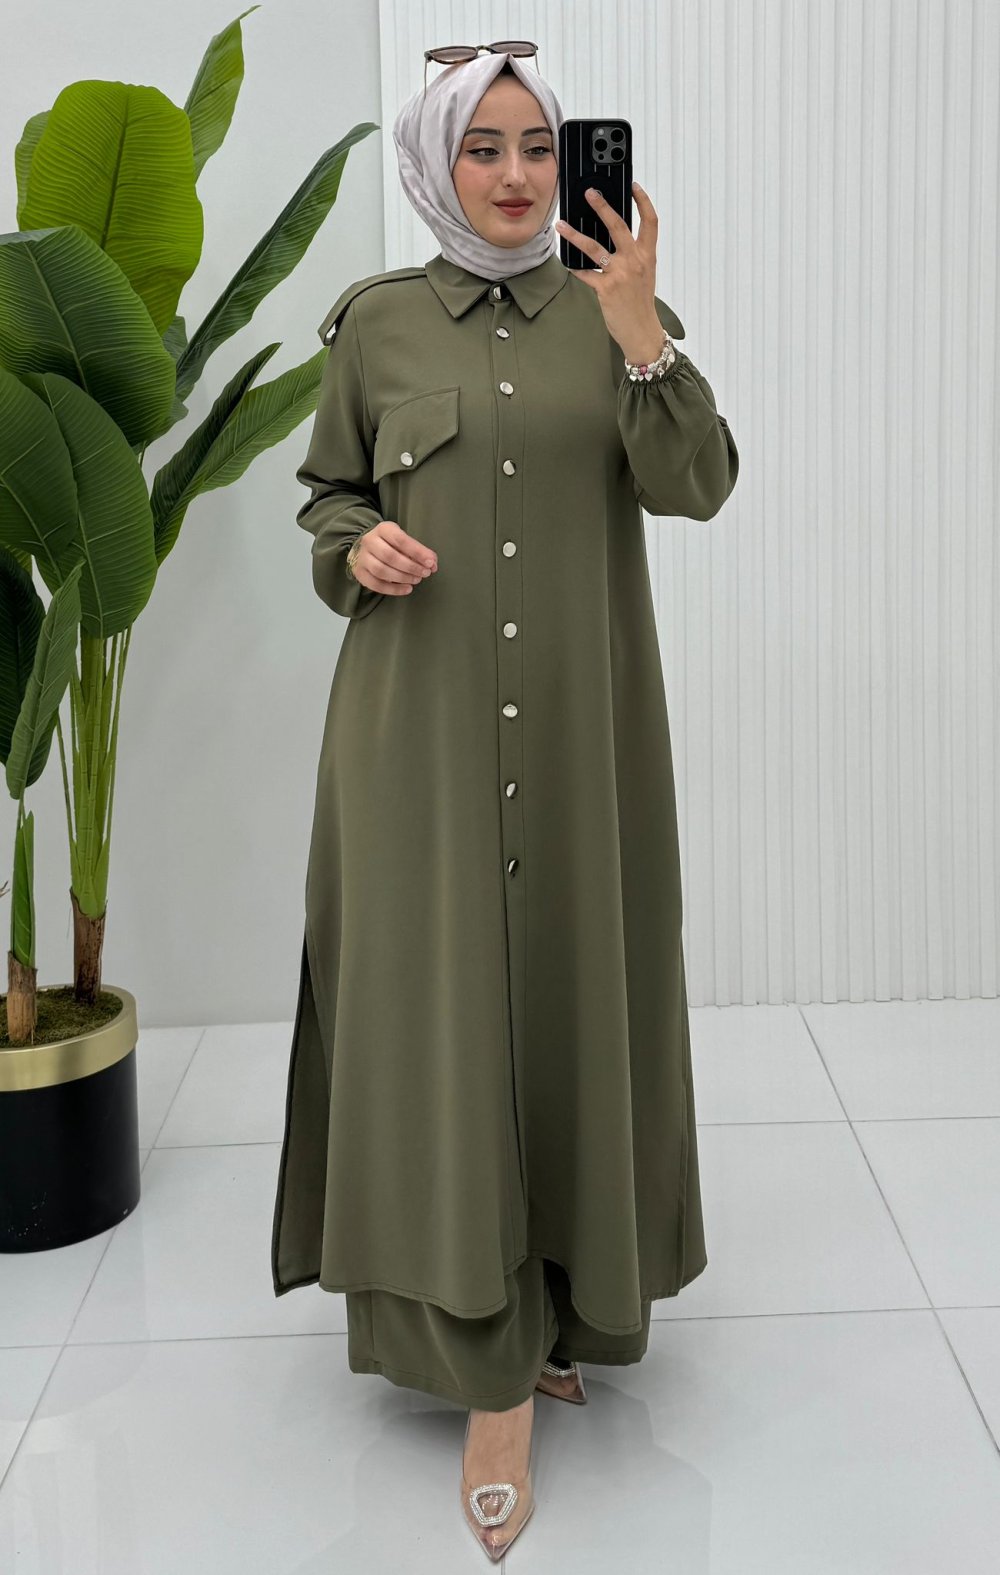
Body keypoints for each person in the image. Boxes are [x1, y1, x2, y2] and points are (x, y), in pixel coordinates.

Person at [271, 43, 739, 1560]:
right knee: (445, 1024)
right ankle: (489, 1377)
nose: (521, 175)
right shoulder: (377, 326)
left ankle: (564, 1310)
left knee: (574, 999)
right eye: (485, 148)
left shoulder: (616, 312)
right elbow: (329, 496)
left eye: (540, 145)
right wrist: (355, 549)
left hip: (588, 743)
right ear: (438, 163)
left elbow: (698, 484)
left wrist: (640, 328)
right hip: (414, 741)